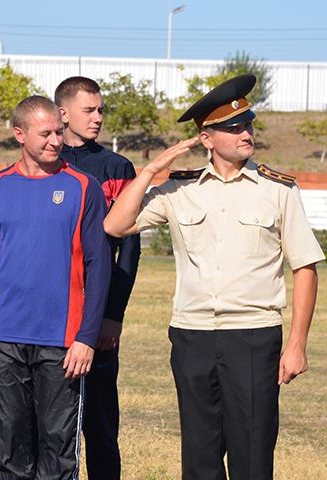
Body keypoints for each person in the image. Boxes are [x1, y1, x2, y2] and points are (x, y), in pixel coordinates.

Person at [104, 74, 324, 480]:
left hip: (254, 336)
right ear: (207, 138)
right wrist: (151, 170)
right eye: (233, 128)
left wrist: (297, 345)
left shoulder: (278, 189)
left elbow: (305, 268)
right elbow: (116, 225)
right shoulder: (178, 190)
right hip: (192, 337)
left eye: (248, 124)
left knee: (253, 456)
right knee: (199, 457)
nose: (246, 134)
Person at [0, 95, 111, 479]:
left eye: (59, 132)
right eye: (45, 134)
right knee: (11, 452)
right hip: (3, 340)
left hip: (63, 343)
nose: (56, 141)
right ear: (20, 134)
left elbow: (98, 267)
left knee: (58, 454)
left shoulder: (84, 187)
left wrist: (87, 338)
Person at [55, 76, 141, 480]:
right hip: (51, 316)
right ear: (63, 113)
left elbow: (130, 250)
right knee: (50, 429)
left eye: (101, 110)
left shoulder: (116, 167)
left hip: (97, 317)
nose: (98, 117)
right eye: (88, 110)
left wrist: (112, 316)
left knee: (102, 428)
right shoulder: (44, 163)